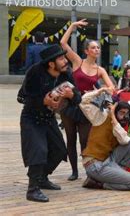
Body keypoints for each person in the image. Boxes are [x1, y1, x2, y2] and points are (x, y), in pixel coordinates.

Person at [19, 44, 81, 202]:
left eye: (64, 57)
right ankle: (32, 190)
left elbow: (78, 99)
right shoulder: (35, 72)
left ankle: (42, 178)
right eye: (61, 58)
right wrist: (43, 101)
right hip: (31, 117)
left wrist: (70, 95)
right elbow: (23, 97)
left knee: (60, 150)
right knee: (38, 151)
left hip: (48, 118)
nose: (65, 61)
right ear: (51, 63)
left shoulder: (66, 74)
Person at [60, 19, 115, 181]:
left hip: (87, 108)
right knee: (70, 139)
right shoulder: (78, 61)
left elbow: (111, 88)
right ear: (86, 51)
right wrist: (72, 26)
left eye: (98, 47)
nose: (96, 49)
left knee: (85, 140)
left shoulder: (100, 70)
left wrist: (98, 91)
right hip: (70, 105)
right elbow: (63, 43)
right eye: (93, 47)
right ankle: (74, 171)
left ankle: (87, 171)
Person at [80, 89, 130, 191]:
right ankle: (98, 184)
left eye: (127, 114)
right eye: (121, 113)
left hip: (108, 161)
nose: (124, 116)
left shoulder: (119, 125)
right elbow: (83, 101)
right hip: (94, 164)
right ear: (115, 110)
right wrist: (101, 91)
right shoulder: (101, 117)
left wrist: (115, 120)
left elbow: (125, 141)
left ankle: (117, 174)